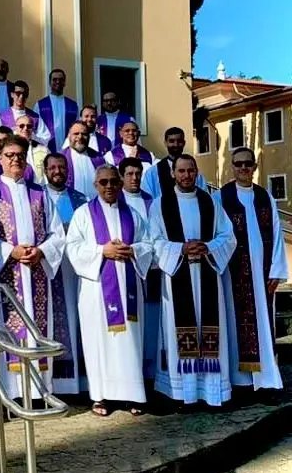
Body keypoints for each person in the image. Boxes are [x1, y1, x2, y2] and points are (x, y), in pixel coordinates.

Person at [0, 134, 66, 399]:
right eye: (10, 155)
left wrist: (41, 251)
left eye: (20, 155)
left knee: (38, 328)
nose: (15, 159)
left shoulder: (40, 192)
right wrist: (9, 251)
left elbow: (57, 233)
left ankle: (40, 393)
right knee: (9, 329)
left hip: (37, 272)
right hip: (6, 273)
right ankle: (13, 393)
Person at [65, 165, 155, 416]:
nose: (109, 186)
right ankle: (100, 397)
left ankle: (132, 395)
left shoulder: (133, 215)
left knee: (129, 342)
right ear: (95, 185)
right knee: (99, 343)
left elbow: (149, 244)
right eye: (103, 182)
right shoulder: (83, 214)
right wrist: (102, 251)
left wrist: (133, 250)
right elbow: (72, 247)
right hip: (95, 293)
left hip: (129, 290)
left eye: (114, 181)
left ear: (120, 184)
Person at [148, 155, 236, 407]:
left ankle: (211, 392)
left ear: (197, 173)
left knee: (209, 331)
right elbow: (154, 241)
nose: (186, 176)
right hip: (176, 278)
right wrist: (181, 249)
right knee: (178, 333)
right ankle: (182, 394)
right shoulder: (160, 204)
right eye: (181, 171)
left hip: (208, 276)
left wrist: (208, 247)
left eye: (190, 171)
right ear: (173, 174)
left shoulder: (210, 202)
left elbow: (228, 236)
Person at [215, 147, 287, 399]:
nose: (244, 168)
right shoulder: (220, 198)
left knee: (264, 328)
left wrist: (276, 270)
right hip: (233, 276)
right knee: (235, 327)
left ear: (255, 167)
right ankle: (241, 384)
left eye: (248, 164)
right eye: (239, 164)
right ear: (232, 167)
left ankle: (266, 383)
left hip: (263, 275)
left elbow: (276, 235)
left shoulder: (265, 197)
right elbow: (216, 234)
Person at [43, 152, 87, 395]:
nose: (57, 171)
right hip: (49, 269)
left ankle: (78, 382)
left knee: (76, 319)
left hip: (74, 271)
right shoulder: (38, 197)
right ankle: (53, 382)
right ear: (45, 171)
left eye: (61, 167)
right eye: (53, 168)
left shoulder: (81, 200)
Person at [118, 158, 160, 381]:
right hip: (124, 270)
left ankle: (151, 370)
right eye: (129, 174)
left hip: (151, 269)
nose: (134, 178)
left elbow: (157, 234)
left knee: (151, 322)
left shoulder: (152, 202)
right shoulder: (115, 201)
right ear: (121, 176)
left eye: (138, 174)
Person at [143, 127, 209, 197]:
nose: (176, 144)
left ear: (184, 143)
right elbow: (147, 198)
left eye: (179, 141)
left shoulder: (193, 171)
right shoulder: (153, 172)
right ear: (165, 143)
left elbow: (204, 195)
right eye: (171, 141)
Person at [0, 81, 51, 146]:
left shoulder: (35, 117)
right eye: (18, 93)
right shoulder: (2, 117)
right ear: (12, 94)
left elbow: (45, 138)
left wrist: (31, 136)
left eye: (24, 94)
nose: (21, 96)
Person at [35, 69, 79, 150]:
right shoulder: (40, 105)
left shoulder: (73, 105)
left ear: (64, 82)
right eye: (54, 79)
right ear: (50, 82)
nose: (58, 82)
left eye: (61, 79)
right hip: (47, 150)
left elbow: (77, 128)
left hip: (68, 150)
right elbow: (35, 129)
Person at [63, 121, 104, 199]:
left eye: (84, 134)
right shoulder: (61, 158)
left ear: (89, 136)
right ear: (69, 136)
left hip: (94, 204)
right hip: (70, 203)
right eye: (76, 134)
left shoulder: (99, 158)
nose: (80, 137)